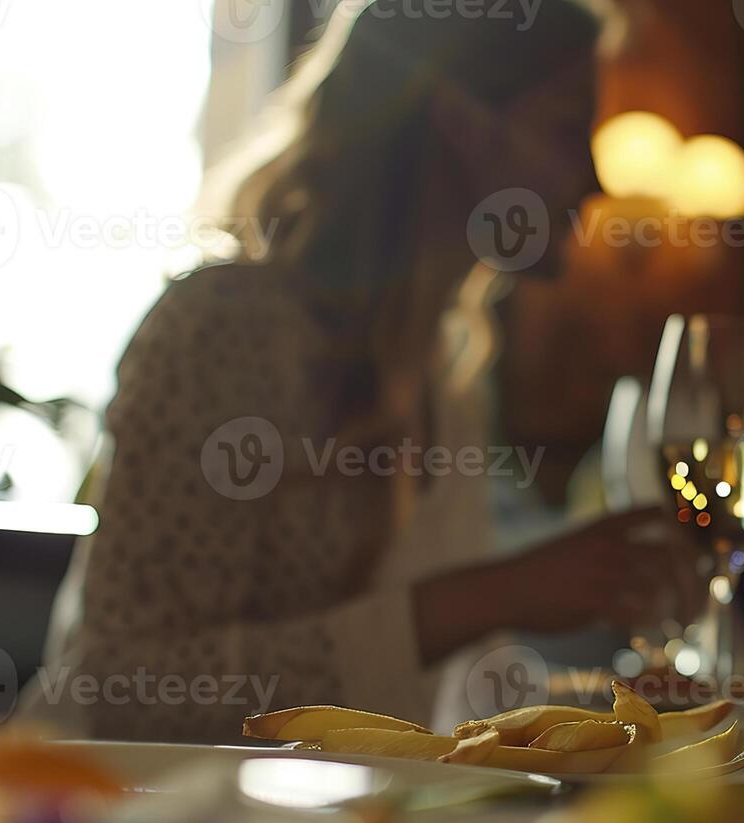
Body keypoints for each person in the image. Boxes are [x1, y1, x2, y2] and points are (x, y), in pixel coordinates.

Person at [40, 0, 698, 741]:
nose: (592, 180)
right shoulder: (224, 329)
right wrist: (485, 597)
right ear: (458, 117)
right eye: (566, 128)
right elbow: (117, 685)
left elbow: (418, 712)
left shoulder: (448, 367)